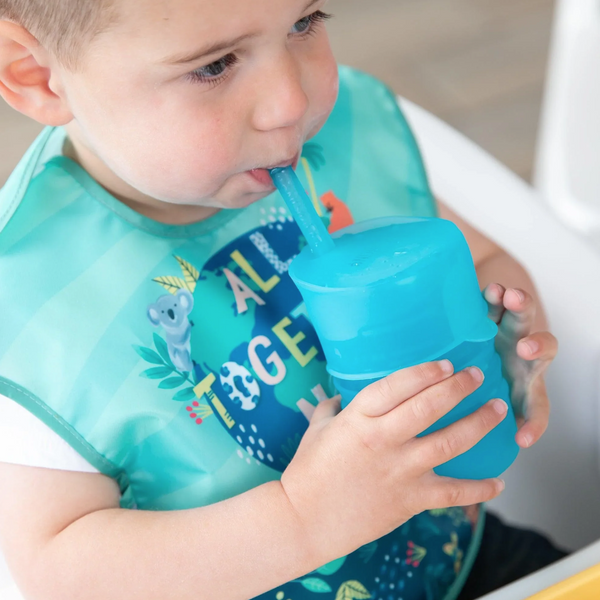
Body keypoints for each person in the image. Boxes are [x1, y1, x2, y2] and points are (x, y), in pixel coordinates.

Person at [0, 1, 563, 599]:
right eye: (215, 65)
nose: (290, 101)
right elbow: (61, 569)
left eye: (305, 22)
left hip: (459, 558)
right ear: (36, 74)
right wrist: (301, 520)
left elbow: (478, 263)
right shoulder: (36, 303)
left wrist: (497, 336)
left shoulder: (330, 145)